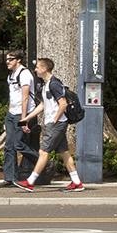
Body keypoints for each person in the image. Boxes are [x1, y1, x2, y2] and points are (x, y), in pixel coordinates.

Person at [24, 54, 87, 191]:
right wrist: (28, 117)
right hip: (54, 123)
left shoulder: (54, 84)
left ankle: (30, 182)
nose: (35, 69)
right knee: (64, 152)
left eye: (37, 67)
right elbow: (42, 105)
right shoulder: (47, 84)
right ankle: (76, 182)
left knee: (43, 151)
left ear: (44, 69)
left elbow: (63, 103)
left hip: (56, 124)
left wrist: (55, 119)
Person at [0, 50, 37, 189]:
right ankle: (10, 178)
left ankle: (46, 163)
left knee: (18, 144)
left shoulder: (24, 74)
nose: (7, 62)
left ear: (18, 60)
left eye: (10, 59)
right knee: (8, 147)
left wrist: (24, 119)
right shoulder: (11, 75)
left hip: (22, 114)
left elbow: (25, 98)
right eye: (7, 59)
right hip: (12, 114)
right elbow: (13, 97)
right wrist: (8, 116)